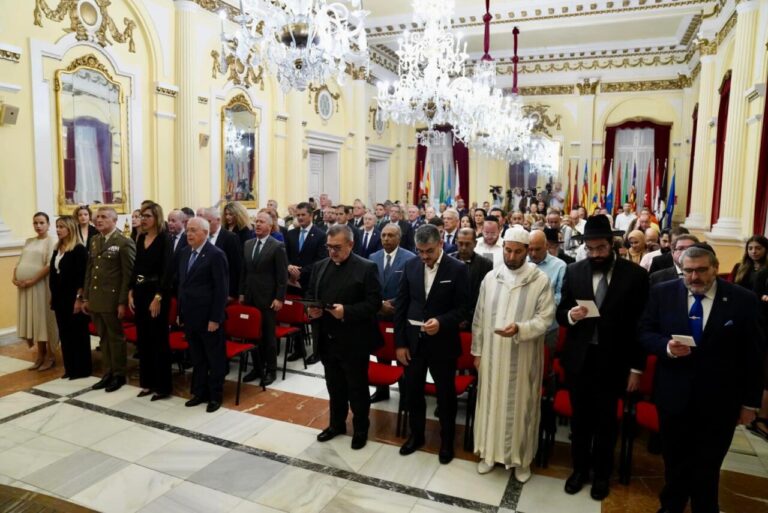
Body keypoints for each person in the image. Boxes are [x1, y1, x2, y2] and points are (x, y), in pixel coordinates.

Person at [639, 246, 765, 513]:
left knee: (708, 466)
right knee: (674, 462)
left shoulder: (742, 299)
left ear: (715, 269)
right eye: (688, 271)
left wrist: (750, 403)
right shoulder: (663, 293)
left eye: (701, 270)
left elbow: (754, 355)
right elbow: (644, 332)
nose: (694, 277)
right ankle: (671, 507)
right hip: (674, 397)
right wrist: (666, 347)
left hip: (720, 402)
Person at [556, 215, 649, 500]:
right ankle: (580, 470)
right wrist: (570, 316)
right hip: (580, 360)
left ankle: (602, 475)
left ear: (613, 245)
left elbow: (641, 326)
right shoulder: (574, 271)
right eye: (589, 249)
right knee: (580, 420)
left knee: (607, 422)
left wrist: (636, 368)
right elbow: (561, 313)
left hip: (614, 361)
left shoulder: (635, 276)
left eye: (600, 249)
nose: (595, 254)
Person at [472, 226, 555, 481]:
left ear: (527, 251)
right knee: (490, 405)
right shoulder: (491, 278)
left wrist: (520, 328)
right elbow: (479, 317)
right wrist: (477, 351)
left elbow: (546, 319)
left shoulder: (540, 281)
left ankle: (522, 460)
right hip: (492, 357)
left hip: (524, 358)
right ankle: (488, 453)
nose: (511, 256)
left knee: (522, 409)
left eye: (517, 252)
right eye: (507, 250)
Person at [396, 224, 470, 465]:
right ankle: (416, 436)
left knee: (445, 397)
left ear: (440, 244)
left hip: (443, 344)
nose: (424, 257)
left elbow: (464, 308)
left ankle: (446, 442)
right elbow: (401, 306)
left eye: (429, 251)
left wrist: (442, 321)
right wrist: (400, 344)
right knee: (413, 392)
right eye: (420, 251)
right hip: (414, 343)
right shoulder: (410, 265)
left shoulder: (457, 269)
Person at [307, 225, 382, 449]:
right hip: (327, 339)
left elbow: (374, 304)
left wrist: (346, 312)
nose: (332, 252)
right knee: (334, 386)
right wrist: (311, 309)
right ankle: (336, 424)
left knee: (357, 389)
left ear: (351, 244)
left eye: (337, 248)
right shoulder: (321, 266)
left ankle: (360, 429)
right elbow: (311, 294)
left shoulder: (366, 268)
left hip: (354, 340)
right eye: (329, 247)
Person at [177, 217, 229, 413]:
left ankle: (215, 396)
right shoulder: (184, 253)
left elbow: (221, 290)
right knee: (197, 357)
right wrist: (180, 312)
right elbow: (182, 285)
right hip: (190, 316)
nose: (189, 234)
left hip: (209, 318)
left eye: (193, 230)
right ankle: (199, 392)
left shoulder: (216, 255)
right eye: (188, 230)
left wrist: (215, 318)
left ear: (205, 233)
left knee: (214, 359)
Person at [82, 207, 136, 392]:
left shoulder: (123, 242)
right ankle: (108, 372)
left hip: (113, 299)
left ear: (115, 220)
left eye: (104, 217)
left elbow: (127, 276)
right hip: (96, 298)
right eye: (97, 217)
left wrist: (122, 302)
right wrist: (86, 297)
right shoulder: (95, 240)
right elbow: (90, 271)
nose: (98, 220)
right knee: (103, 338)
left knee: (116, 338)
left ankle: (119, 374)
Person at [128, 202, 173, 401]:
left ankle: (162, 386)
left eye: (147, 216)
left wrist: (159, 296)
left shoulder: (165, 239)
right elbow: (136, 268)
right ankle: (147, 383)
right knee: (143, 340)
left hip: (157, 294)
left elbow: (167, 272)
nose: (143, 219)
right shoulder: (141, 238)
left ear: (156, 217)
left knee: (158, 341)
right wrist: (131, 290)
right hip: (140, 291)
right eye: (142, 216)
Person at [239, 212, 288, 387]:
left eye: (261, 222)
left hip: (268, 298)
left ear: (270, 226)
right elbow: (244, 272)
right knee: (253, 335)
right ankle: (257, 368)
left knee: (268, 336)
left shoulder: (277, 246)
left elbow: (282, 276)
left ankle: (271, 370)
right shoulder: (248, 244)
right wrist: (242, 292)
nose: (257, 224)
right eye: (256, 221)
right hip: (250, 296)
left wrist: (279, 298)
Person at [369, 224, 416, 402]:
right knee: (382, 351)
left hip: (400, 313)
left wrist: (392, 303)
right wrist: (380, 304)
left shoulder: (410, 258)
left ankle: (405, 392)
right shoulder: (373, 257)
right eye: (383, 235)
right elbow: (370, 285)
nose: (386, 239)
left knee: (402, 353)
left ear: (399, 238)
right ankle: (382, 391)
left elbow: (412, 288)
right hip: (379, 313)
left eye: (390, 235)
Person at [14, 212, 58, 371]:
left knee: (43, 319)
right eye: (35, 223)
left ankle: (51, 356)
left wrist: (32, 280)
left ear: (48, 224)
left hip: (41, 286)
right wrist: (15, 277)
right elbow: (20, 262)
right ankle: (40, 355)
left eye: (41, 223)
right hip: (25, 287)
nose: (38, 226)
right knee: (34, 320)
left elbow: (48, 265)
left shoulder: (51, 241)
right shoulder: (29, 241)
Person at [285, 202, 328, 364]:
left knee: (314, 317)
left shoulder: (320, 235)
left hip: (310, 282)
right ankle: (298, 348)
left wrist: (300, 271)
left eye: (303, 215)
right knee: (294, 315)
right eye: (298, 215)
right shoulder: (291, 234)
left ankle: (317, 352)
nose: (300, 217)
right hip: (292, 281)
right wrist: (289, 267)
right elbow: (285, 256)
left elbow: (321, 260)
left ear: (311, 215)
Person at [49, 216, 91, 379]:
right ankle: (70, 368)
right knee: (65, 333)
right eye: (57, 226)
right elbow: (54, 274)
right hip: (59, 297)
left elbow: (82, 277)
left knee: (77, 333)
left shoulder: (79, 249)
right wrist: (53, 295)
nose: (58, 230)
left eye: (61, 227)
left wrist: (79, 298)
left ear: (70, 229)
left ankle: (82, 369)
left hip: (73, 297)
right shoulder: (57, 248)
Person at [528, 230, 566, 350]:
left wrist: (541, 305)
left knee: (547, 361)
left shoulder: (560, 266)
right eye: (530, 249)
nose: (533, 253)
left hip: (549, 327)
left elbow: (561, 295)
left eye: (538, 249)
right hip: (525, 325)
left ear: (547, 246)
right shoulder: (522, 264)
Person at [448, 228, 493, 327]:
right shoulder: (447, 261)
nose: (463, 248)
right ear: (456, 242)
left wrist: (468, 317)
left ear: (475, 243)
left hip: (475, 320)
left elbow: (484, 295)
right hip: (449, 319)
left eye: (468, 244)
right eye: (460, 243)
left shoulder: (485, 264)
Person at [197, 207, 241, 302]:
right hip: (203, 290)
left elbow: (236, 267)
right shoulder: (201, 237)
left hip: (223, 290)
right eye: (204, 222)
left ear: (218, 220)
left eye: (209, 221)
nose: (206, 225)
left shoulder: (230, 238)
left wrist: (231, 293)